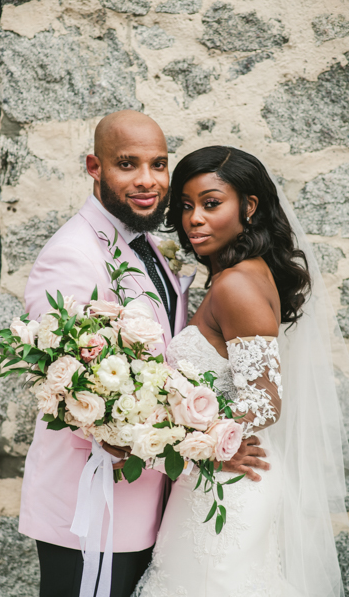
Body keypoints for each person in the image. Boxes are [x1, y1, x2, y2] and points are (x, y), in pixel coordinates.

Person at [19, 111, 266, 597]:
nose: (148, 181)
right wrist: (210, 446)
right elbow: (76, 394)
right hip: (92, 506)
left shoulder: (148, 242)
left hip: (146, 502)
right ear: (94, 166)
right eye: (128, 165)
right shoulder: (72, 254)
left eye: (158, 164)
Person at [134, 146, 348, 596]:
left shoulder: (235, 285)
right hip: (219, 478)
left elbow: (264, 401)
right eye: (187, 206)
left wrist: (198, 443)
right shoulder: (247, 274)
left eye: (211, 204)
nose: (194, 219)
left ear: (248, 208)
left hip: (230, 483)